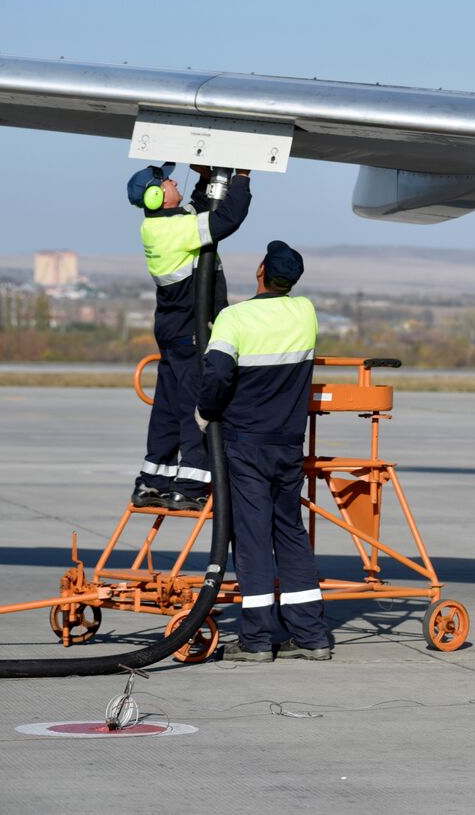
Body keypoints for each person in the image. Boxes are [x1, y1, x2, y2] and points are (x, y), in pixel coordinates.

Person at [198, 241, 330, 662]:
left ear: (259, 271)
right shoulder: (305, 313)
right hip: (288, 443)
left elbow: (217, 373)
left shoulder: (234, 318)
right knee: (289, 532)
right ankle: (311, 635)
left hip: (246, 443)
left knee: (253, 536)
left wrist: (205, 412)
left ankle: (256, 639)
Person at [128, 162, 251, 511]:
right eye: (165, 181)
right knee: (194, 408)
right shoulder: (177, 231)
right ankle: (191, 485)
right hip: (190, 333)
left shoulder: (160, 227)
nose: (171, 180)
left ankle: (152, 482)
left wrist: (203, 179)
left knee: (166, 409)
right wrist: (241, 178)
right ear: (156, 196)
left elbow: (198, 212)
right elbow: (226, 219)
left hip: (173, 330)